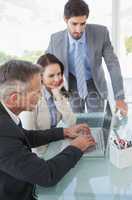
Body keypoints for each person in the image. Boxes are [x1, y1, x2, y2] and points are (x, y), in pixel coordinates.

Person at [0, 59, 95, 200]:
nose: (40, 96)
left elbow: (25, 136)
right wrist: (76, 147)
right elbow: (47, 176)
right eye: (37, 92)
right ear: (14, 99)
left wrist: (64, 132)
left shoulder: (6, 115)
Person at [46, 0, 128, 115]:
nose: (79, 30)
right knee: (76, 123)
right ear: (65, 19)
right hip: (71, 85)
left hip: (94, 84)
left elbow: (113, 65)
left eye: (82, 24)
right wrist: (56, 93)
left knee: (98, 122)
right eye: (74, 24)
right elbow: (45, 66)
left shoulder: (101, 33)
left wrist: (119, 98)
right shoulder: (55, 40)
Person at [20, 53, 77, 156]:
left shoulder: (60, 90)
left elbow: (71, 122)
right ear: (40, 77)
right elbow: (28, 138)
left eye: (59, 74)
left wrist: (58, 97)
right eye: (51, 75)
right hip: (40, 153)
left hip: (55, 146)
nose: (57, 79)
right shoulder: (31, 97)